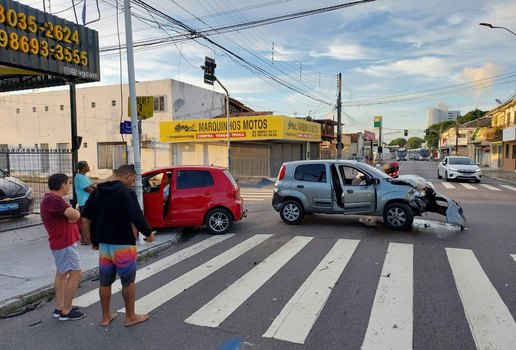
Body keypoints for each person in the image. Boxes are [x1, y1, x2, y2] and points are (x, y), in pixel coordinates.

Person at [82, 164, 155, 327]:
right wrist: (149, 234)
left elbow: (85, 217)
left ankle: (106, 316)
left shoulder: (97, 192)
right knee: (128, 282)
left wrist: (92, 240)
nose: (133, 183)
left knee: (105, 282)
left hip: (104, 246)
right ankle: (130, 317)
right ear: (128, 176)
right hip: (123, 245)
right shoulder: (126, 192)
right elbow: (137, 216)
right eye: (133, 179)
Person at [40, 173, 85, 321]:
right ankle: (66, 310)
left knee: (62, 273)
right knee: (76, 273)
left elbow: (70, 216)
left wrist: (71, 217)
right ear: (62, 185)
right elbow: (75, 214)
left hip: (61, 242)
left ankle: (60, 307)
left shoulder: (51, 199)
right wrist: (74, 215)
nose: (69, 186)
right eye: (68, 184)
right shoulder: (55, 200)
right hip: (64, 243)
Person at [74, 161, 96, 245]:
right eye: (87, 166)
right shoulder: (79, 177)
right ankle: (85, 239)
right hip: (84, 202)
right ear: (83, 167)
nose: (89, 167)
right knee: (86, 221)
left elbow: (92, 186)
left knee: (89, 220)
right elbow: (88, 189)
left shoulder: (83, 177)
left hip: (88, 201)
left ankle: (85, 239)